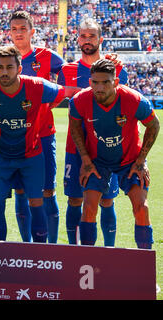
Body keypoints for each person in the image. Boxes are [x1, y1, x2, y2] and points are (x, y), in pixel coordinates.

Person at [0, 11, 65, 243]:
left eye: (23, 28)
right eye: (14, 29)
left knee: (47, 192)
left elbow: (67, 78)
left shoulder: (46, 56)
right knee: (20, 191)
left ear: (32, 31)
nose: (18, 33)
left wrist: (48, 106)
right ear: (9, 32)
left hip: (42, 135)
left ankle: (52, 248)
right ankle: (26, 246)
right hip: (10, 137)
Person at [69, 59, 159, 249]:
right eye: (95, 82)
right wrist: (85, 160)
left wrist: (141, 160)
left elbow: (154, 124)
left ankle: (145, 266)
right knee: (89, 207)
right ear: (90, 81)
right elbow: (76, 127)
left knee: (141, 208)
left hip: (130, 160)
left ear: (116, 82)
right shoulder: (79, 101)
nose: (99, 87)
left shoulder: (134, 99)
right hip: (98, 161)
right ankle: (87, 260)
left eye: (105, 82)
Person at [57, 18, 128, 246]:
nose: (87, 40)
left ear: (100, 39)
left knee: (107, 201)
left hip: (107, 148)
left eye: (92, 36)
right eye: (83, 36)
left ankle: (109, 251)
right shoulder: (66, 70)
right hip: (75, 148)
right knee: (75, 199)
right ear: (77, 38)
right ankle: (74, 251)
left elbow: (124, 109)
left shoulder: (117, 70)